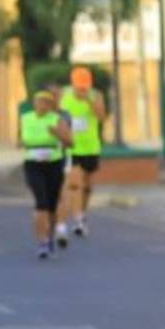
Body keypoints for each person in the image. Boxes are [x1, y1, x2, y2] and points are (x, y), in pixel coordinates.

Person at [20, 90, 74, 260]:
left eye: (45, 102)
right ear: (34, 103)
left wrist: (58, 133)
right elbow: (20, 139)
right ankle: (41, 242)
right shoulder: (26, 118)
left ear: (51, 105)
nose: (42, 105)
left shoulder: (57, 120)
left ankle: (49, 236)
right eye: (39, 101)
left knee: (51, 205)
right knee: (40, 202)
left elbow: (70, 142)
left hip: (54, 163)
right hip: (33, 163)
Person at [59, 67, 107, 240]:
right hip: (72, 147)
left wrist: (88, 100)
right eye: (79, 87)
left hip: (91, 147)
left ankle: (82, 214)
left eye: (84, 87)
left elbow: (101, 117)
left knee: (88, 187)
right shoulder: (63, 95)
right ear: (72, 84)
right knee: (76, 183)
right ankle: (78, 220)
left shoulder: (96, 96)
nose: (82, 90)